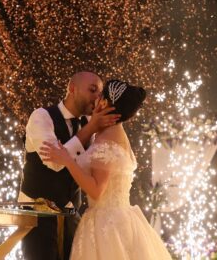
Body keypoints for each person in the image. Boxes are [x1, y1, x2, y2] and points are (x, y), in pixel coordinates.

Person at [40, 80, 172, 260]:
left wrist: (68, 160)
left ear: (106, 103)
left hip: (107, 225)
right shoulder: (111, 132)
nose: (95, 98)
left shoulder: (108, 138)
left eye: (100, 95)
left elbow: (96, 190)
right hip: (116, 218)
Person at [20, 72, 121, 260]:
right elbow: (53, 162)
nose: (97, 97)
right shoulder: (41, 116)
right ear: (72, 89)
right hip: (36, 218)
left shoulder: (90, 125)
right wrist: (90, 129)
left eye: (100, 93)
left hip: (73, 219)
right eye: (92, 90)